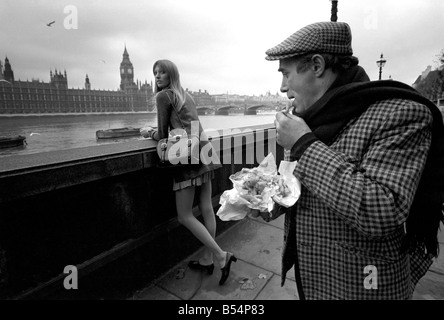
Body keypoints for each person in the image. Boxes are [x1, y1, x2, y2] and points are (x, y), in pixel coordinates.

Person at [264, 21, 443, 299]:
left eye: (286, 74)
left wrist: (304, 143)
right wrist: (266, 202)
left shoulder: (402, 114)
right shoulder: (304, 119)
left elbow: (381, 209)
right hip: (313, 277)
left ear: (317, 66)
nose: (282, 87)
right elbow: (299, 189)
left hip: (364, 285)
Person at [141, 59, 236, 286]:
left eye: (162, 72)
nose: (157, 76)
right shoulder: (186, 95)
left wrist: (148, 131)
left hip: (188, 159)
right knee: (206, 207)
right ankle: (207, 259)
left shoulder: (164, 96)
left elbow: (163, 134)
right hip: (205, 151)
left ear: (171, 74)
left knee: (185, 215)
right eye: (155, 72)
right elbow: (192, 126)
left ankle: (221, 256)